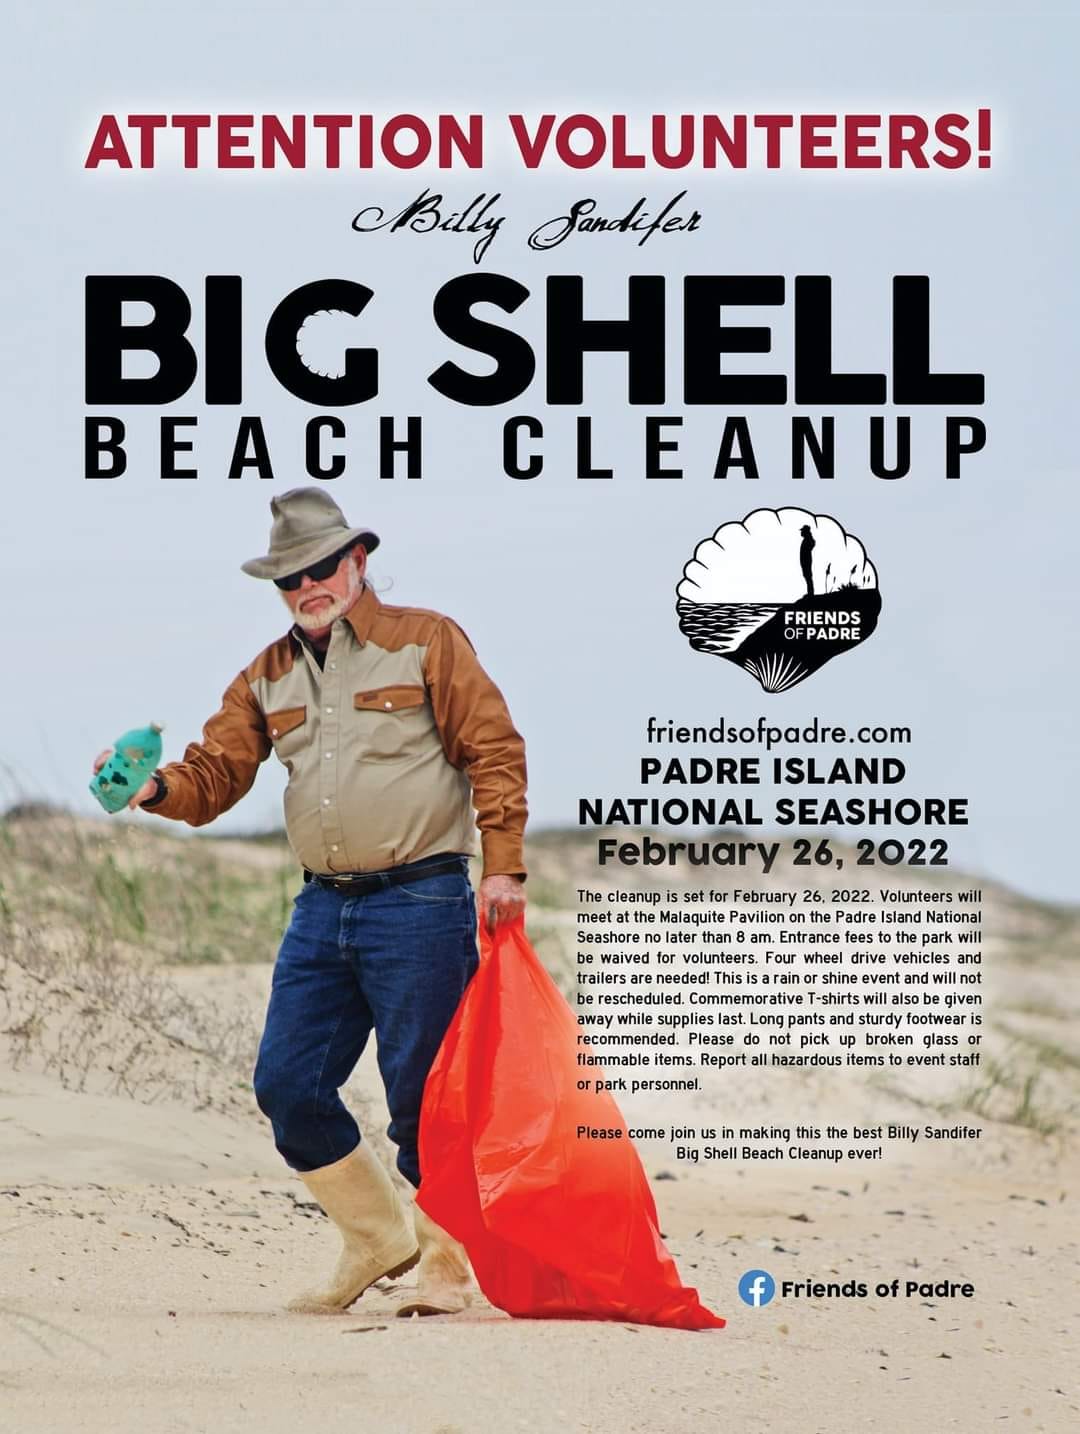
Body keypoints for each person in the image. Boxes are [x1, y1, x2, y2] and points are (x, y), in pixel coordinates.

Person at [93, 487, 527, 1317]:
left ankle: (444, 1260)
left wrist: (502, 867)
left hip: (421, 900)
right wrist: (151, 787)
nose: (308, 586)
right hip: (322, 909)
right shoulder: (266, 676)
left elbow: (495, 751)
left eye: (322, 567)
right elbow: (213, 776)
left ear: (357, 561)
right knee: (288, 1084)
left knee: (423, 1095)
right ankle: (375, 1237)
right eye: (290, 577)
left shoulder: (427, 642)